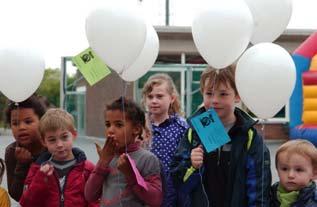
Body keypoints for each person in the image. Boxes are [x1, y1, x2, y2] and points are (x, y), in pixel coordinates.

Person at [170, 65, 272, 207]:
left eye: (223, 94)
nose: (214, 100)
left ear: (237, 96)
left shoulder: (249, 137)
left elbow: (258, 187)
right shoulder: (193, 134)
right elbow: (179, 184)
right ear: (202, 93)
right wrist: (191, 166)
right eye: (209, 93)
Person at [85, 97, 163, 207]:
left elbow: (155, 200)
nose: (111, 130)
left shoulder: (147, 159)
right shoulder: (107, 157)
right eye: (108, 124)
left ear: (136, 129)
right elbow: (90, 195)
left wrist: (131, 174)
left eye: (119, 125)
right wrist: (102, 162)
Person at [19, 108, 97, 207]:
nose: (59, 144)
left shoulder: (87, 168)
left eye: (64, 137)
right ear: (44, 142)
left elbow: (94, 201)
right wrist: (40, 178)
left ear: (74, 134)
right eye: (52, 140)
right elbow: (27, 203)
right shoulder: (37, 169)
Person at [142, 73, 189, 206]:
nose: (154, 100)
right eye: (150, 97)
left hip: (172, 189)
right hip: (145, 187)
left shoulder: (182, 127)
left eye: (159, 96)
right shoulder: (140, 126)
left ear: (172, 98)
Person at [4, 94, 47, 201]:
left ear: (41, 121)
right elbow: (16, 195)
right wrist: (22, 164)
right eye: (15, 123)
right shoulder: (11, 152)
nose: (22, 127)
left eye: (28, 122)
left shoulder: (53, 147)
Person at [270, 139, 317, 207]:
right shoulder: (269, 195)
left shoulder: (313, 202)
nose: (290, 175)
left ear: (314, 174)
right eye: (284, 169)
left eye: (299, 170)